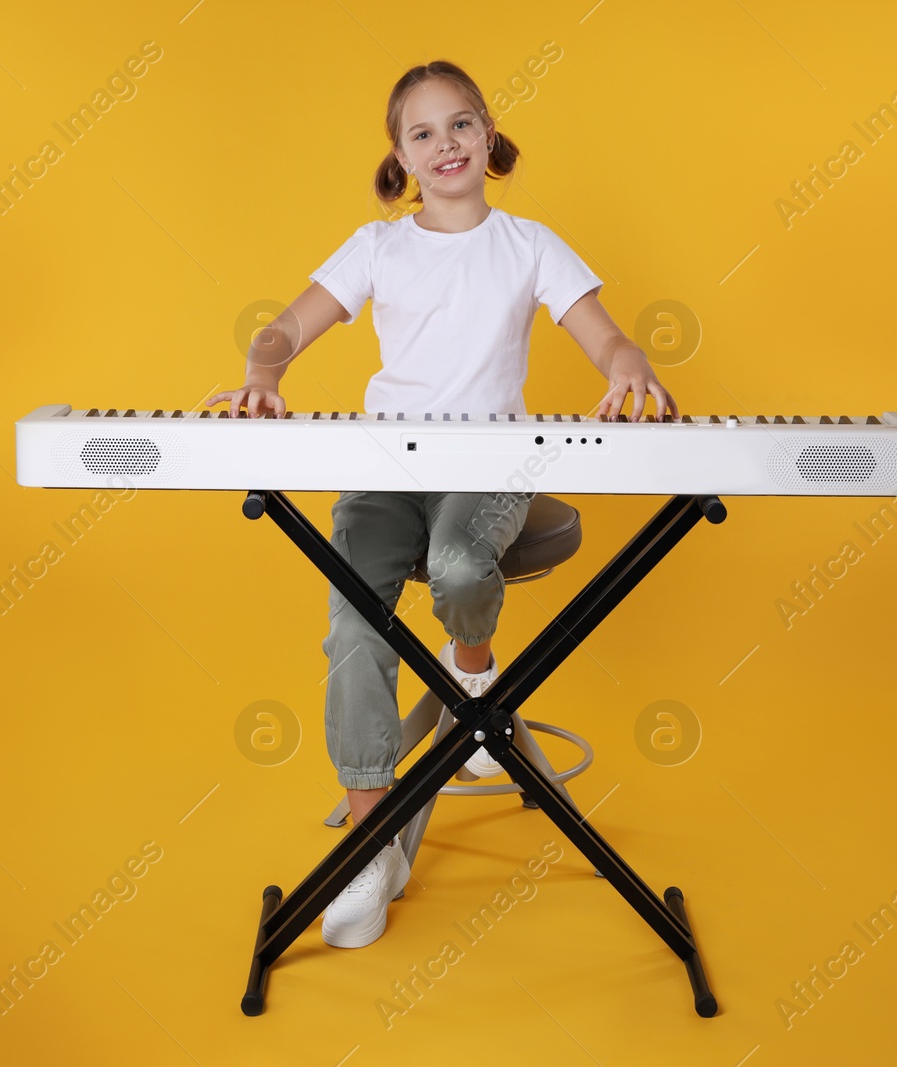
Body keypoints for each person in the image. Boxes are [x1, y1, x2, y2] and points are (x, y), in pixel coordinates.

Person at [207, 60, 678, 949]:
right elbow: (285, 325)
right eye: (423, 133)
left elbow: (603, 331)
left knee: (463, 564)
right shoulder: (378, 247)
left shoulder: (532, 243)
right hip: (386, 468)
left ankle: (472, 674)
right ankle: (372, 839)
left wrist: (625, 361)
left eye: (461, 124)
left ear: (489, 134)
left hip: (494, 460)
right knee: (354, 623)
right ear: (401, 158)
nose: (446, 144)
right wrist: (261, 373)